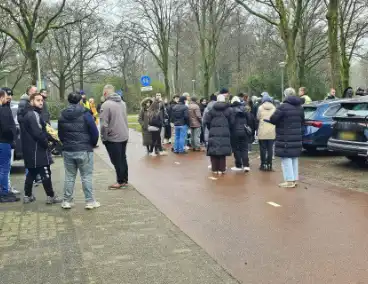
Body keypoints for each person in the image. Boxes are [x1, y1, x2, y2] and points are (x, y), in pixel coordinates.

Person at [58, 92, 100, 209]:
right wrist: (91, 144)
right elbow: (94, 132)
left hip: (68, 150)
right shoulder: (86, 113)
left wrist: (65, 143)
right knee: (86, 176)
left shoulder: (62, 114)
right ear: (80, 100)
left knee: (69, 176)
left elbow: (60, 134)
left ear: (68, 101)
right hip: (84, 149)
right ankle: (90, 201)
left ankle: (67, 201)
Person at [20, 93, 62, 204]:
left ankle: (27, 196)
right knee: (45, 172)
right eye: (38, 100)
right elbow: (38, 133)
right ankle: (51, 196)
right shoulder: (33, 115)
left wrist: (53, 139)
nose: (41, 102)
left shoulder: (29, 114)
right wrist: (47, 144)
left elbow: (43, 130)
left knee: (32, 173)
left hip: (30, 150)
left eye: (42, 100)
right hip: (37, 149)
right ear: (31, 102)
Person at [268, 88, 304, 188]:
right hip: (296, 136)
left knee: (286, 158)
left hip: (285, 137)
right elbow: (302, 121)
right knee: (294, 158)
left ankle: (289, 181)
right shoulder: (300, 107)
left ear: (285, 95)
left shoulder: (282, 107)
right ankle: (294, 179)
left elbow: (273, 119)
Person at [100, 84, 129, 189]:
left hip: (113, 137)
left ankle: (120, 181)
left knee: (116, 160)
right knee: (122, 158)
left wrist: (103, 137)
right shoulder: (123, 103)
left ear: (105, 93)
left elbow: (104, 124)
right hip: (124, 134)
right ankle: (125, 180)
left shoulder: (106, 105)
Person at [204, 94, 233, 175]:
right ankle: (222, 169)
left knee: (213, 150)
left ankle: (215, 169)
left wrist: (211, 128)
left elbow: (207, 121)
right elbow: (232, 122)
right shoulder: (229, 110)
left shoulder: (212, 110)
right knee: (222, 151)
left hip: (213, 131)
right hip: (225, 131)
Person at [0, 89, 19, 203]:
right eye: (6, 97)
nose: (8, 99)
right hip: (4, 142)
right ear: (2, 97)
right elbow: (7, 128)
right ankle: (4, 193)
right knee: (4, 169)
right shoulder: (3, 111)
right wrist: (13, 135)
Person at [230, 96, 250, 172]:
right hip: (244, 131)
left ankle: (238, 165)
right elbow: (249, 119)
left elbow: (231, 122)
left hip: (235, 132)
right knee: (244, 149)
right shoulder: (244, 108)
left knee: (236, 149)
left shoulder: (231, 110)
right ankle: (246, 165)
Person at [257, 94, 276, 171]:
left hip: (262, 130)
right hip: (272, 130)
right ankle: (269, 164)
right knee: (270, 148)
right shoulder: (274, 108)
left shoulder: (260, 107)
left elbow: (258, 117)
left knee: (263, 148)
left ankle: (263, 164)